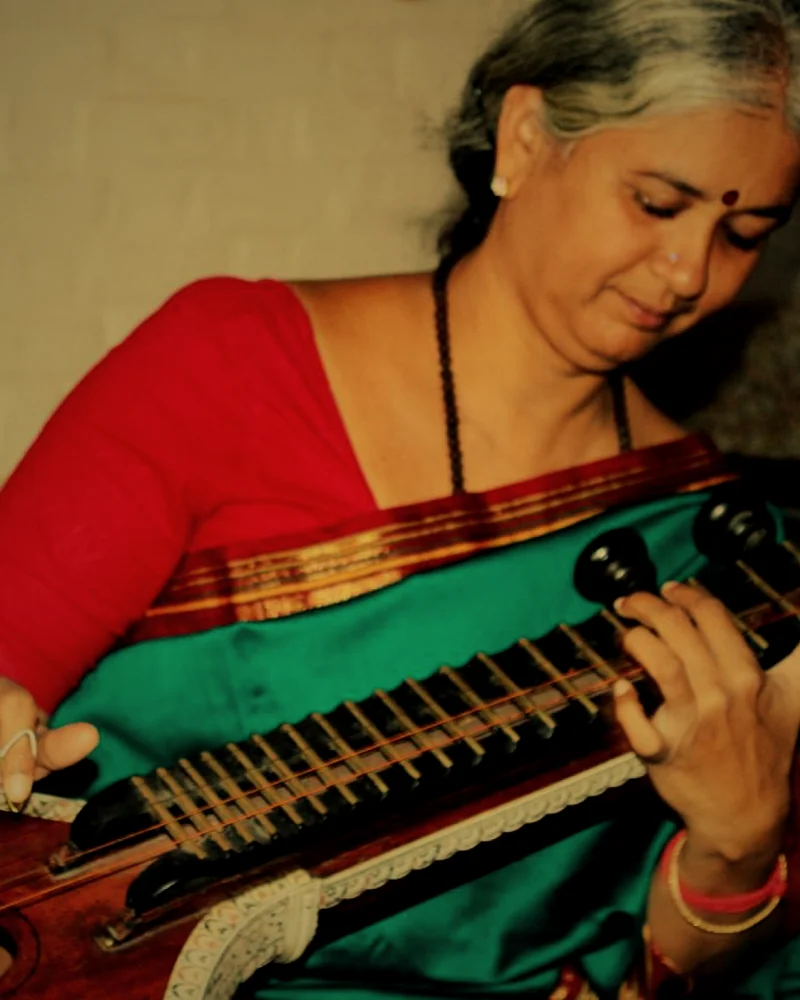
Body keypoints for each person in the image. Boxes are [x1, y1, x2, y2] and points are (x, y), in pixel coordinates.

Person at [1, 0, 800, 996]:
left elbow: (683, 969)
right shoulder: (230, 366)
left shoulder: (724, 550)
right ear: (524, 138)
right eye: (655, 203)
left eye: (744, 233)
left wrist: (737, 841)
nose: (690, 272)